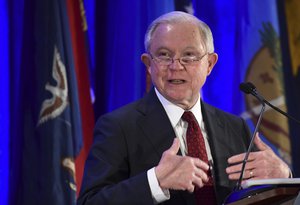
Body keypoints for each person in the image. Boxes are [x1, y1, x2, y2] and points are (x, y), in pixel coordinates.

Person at [77, 11, 290, 205]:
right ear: (148, 64)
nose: (176, 66)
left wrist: (282, 178)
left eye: (189, 55)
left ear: (210, 64)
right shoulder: (118, 127)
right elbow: (89, 202)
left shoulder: (236, 127)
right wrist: (155, 181)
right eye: (163, 55)